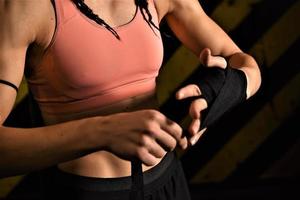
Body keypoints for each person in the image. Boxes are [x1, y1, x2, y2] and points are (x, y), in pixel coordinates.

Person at [0, 0, 261, 199]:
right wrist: (102, 131)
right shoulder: (26, 7)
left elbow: (246, 66)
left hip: (168, 183)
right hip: (85, 192)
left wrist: (217, 91)